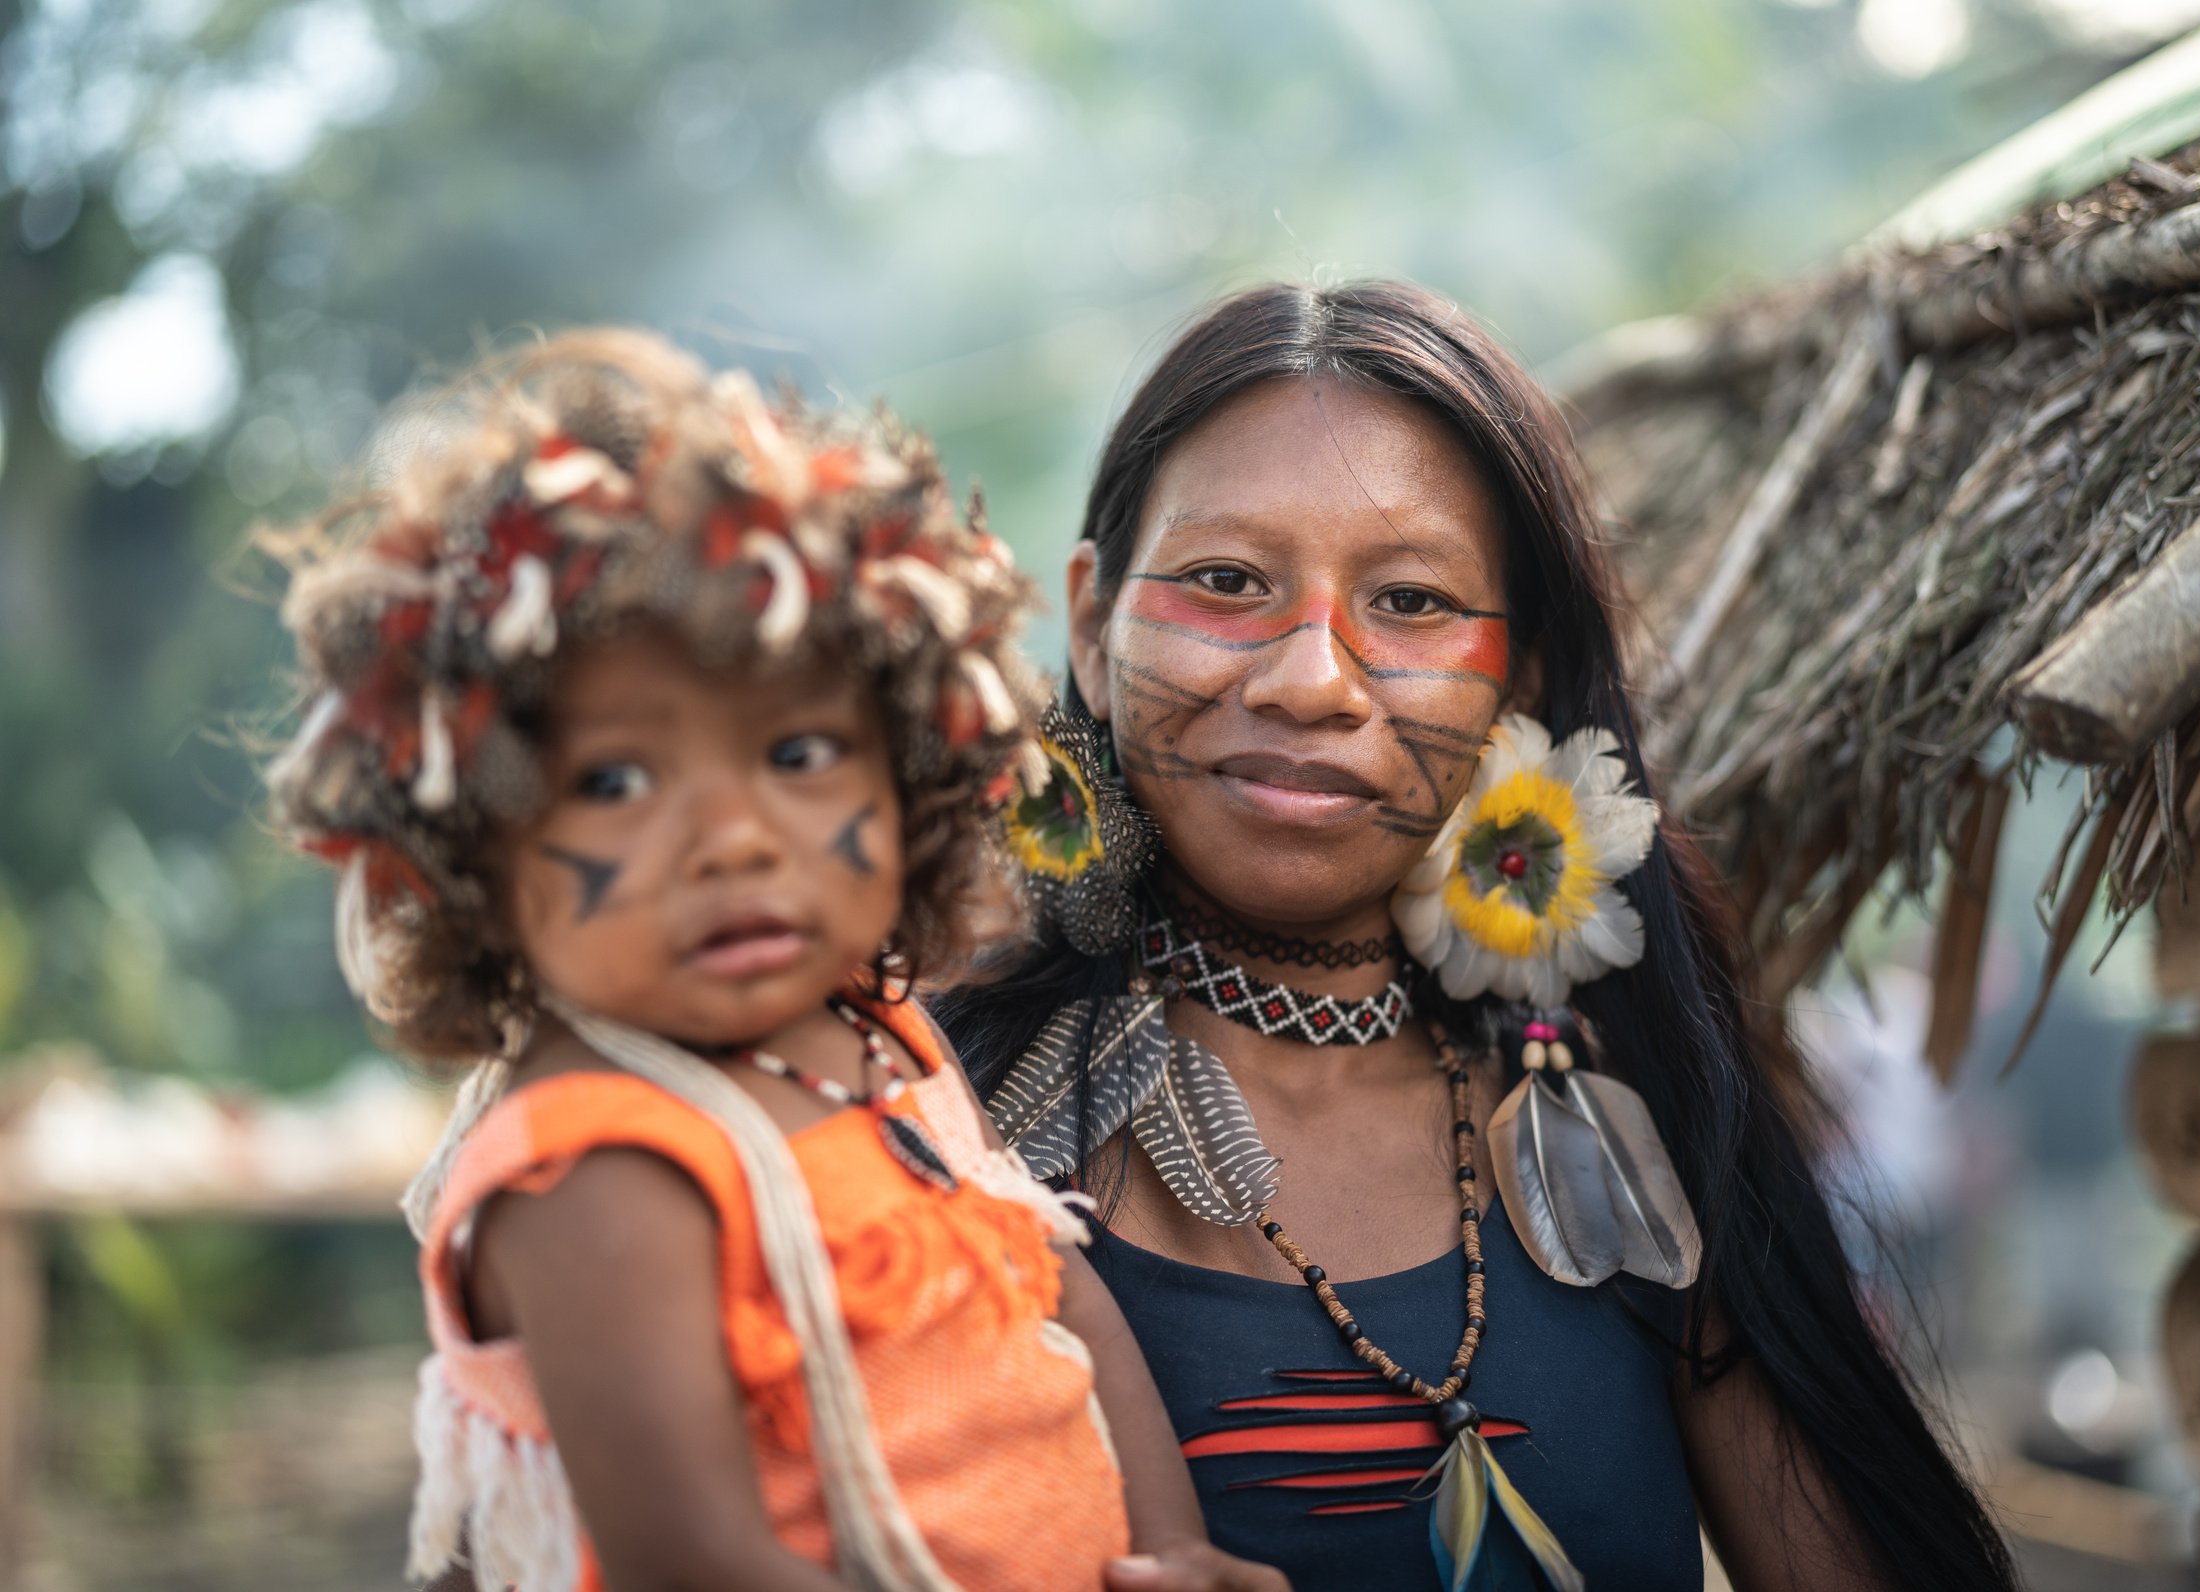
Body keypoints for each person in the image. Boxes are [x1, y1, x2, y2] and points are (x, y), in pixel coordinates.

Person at [936, 282, 2021, 1591]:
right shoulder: (932, 1123)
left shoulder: (1631, 1104)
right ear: (1094, 632)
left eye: (1408, 602)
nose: (1308, 681)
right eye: (1226, 583)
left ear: (1518, 676)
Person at [264, 330, 1288, 1592]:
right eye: (617, 779)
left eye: (799, 755)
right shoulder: (598, 1160)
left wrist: (1174, 1549)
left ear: (911, 777)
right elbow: (693, 1559)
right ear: (473, 848)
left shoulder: (882, 1032)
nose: (735, 840)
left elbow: (1058, 1299)